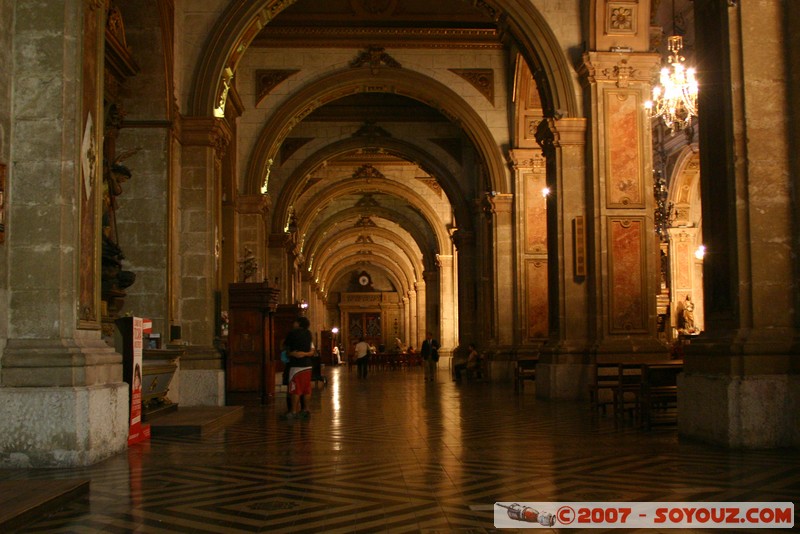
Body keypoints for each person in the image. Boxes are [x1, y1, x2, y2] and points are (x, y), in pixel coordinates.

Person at [282, 316, 315, 421]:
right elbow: (311, 349)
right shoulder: (309, 334)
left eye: (295, 322)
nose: (293, 323)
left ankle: (293, 411)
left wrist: (292, 353)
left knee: (295, 388)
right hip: (307, 365)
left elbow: (286, 347)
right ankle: (306, 410)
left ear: (298, 323)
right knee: (306, 389)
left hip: (296, 365)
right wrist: (304, 353)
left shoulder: (292, 333)